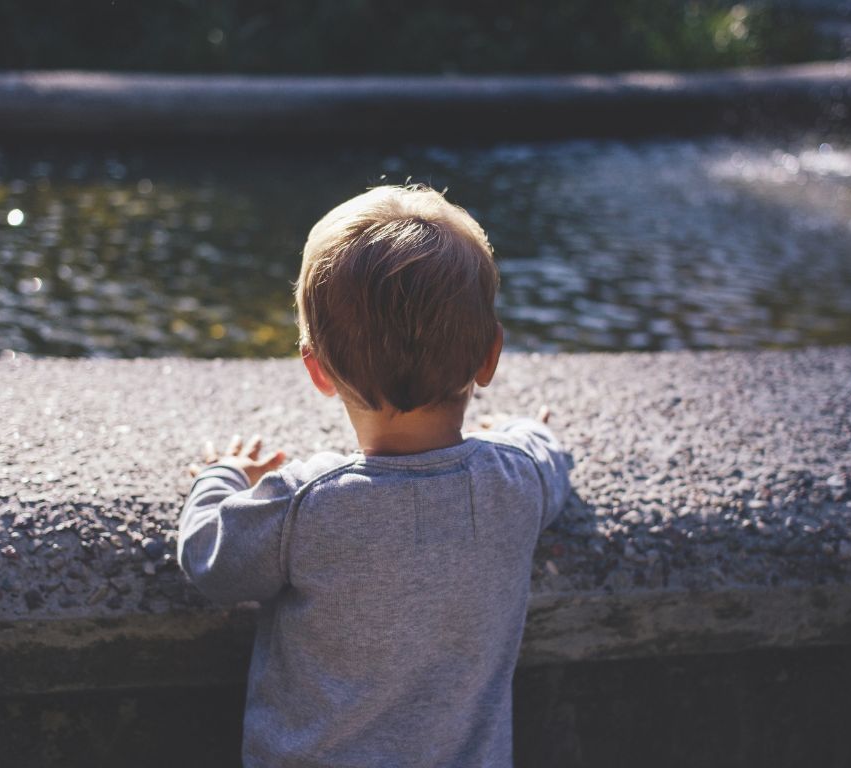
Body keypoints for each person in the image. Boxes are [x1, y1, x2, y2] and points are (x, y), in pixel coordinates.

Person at [177, 184, 572, 767]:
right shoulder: (516, 481)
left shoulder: (304, 503)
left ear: (317, 371)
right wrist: (530, 432)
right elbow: (546, 457)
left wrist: (221, 475)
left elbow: (210, 559)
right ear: (490, 355)